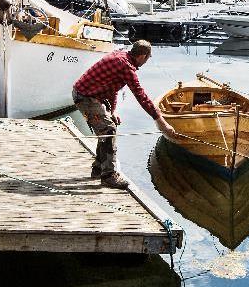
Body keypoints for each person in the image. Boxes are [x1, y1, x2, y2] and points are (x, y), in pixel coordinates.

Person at [72, 39, 175, 188]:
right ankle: (108, 175)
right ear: (143, 56)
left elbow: (112, 87)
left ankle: (99, 168)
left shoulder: (121, 57)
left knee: (108, 126)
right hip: (85, 97)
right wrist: (162, 123)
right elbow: (141, 96)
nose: (146, 62)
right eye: (147, 58)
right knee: (108, 129)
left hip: (89, 95)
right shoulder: (126, 67)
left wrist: (112, 111)